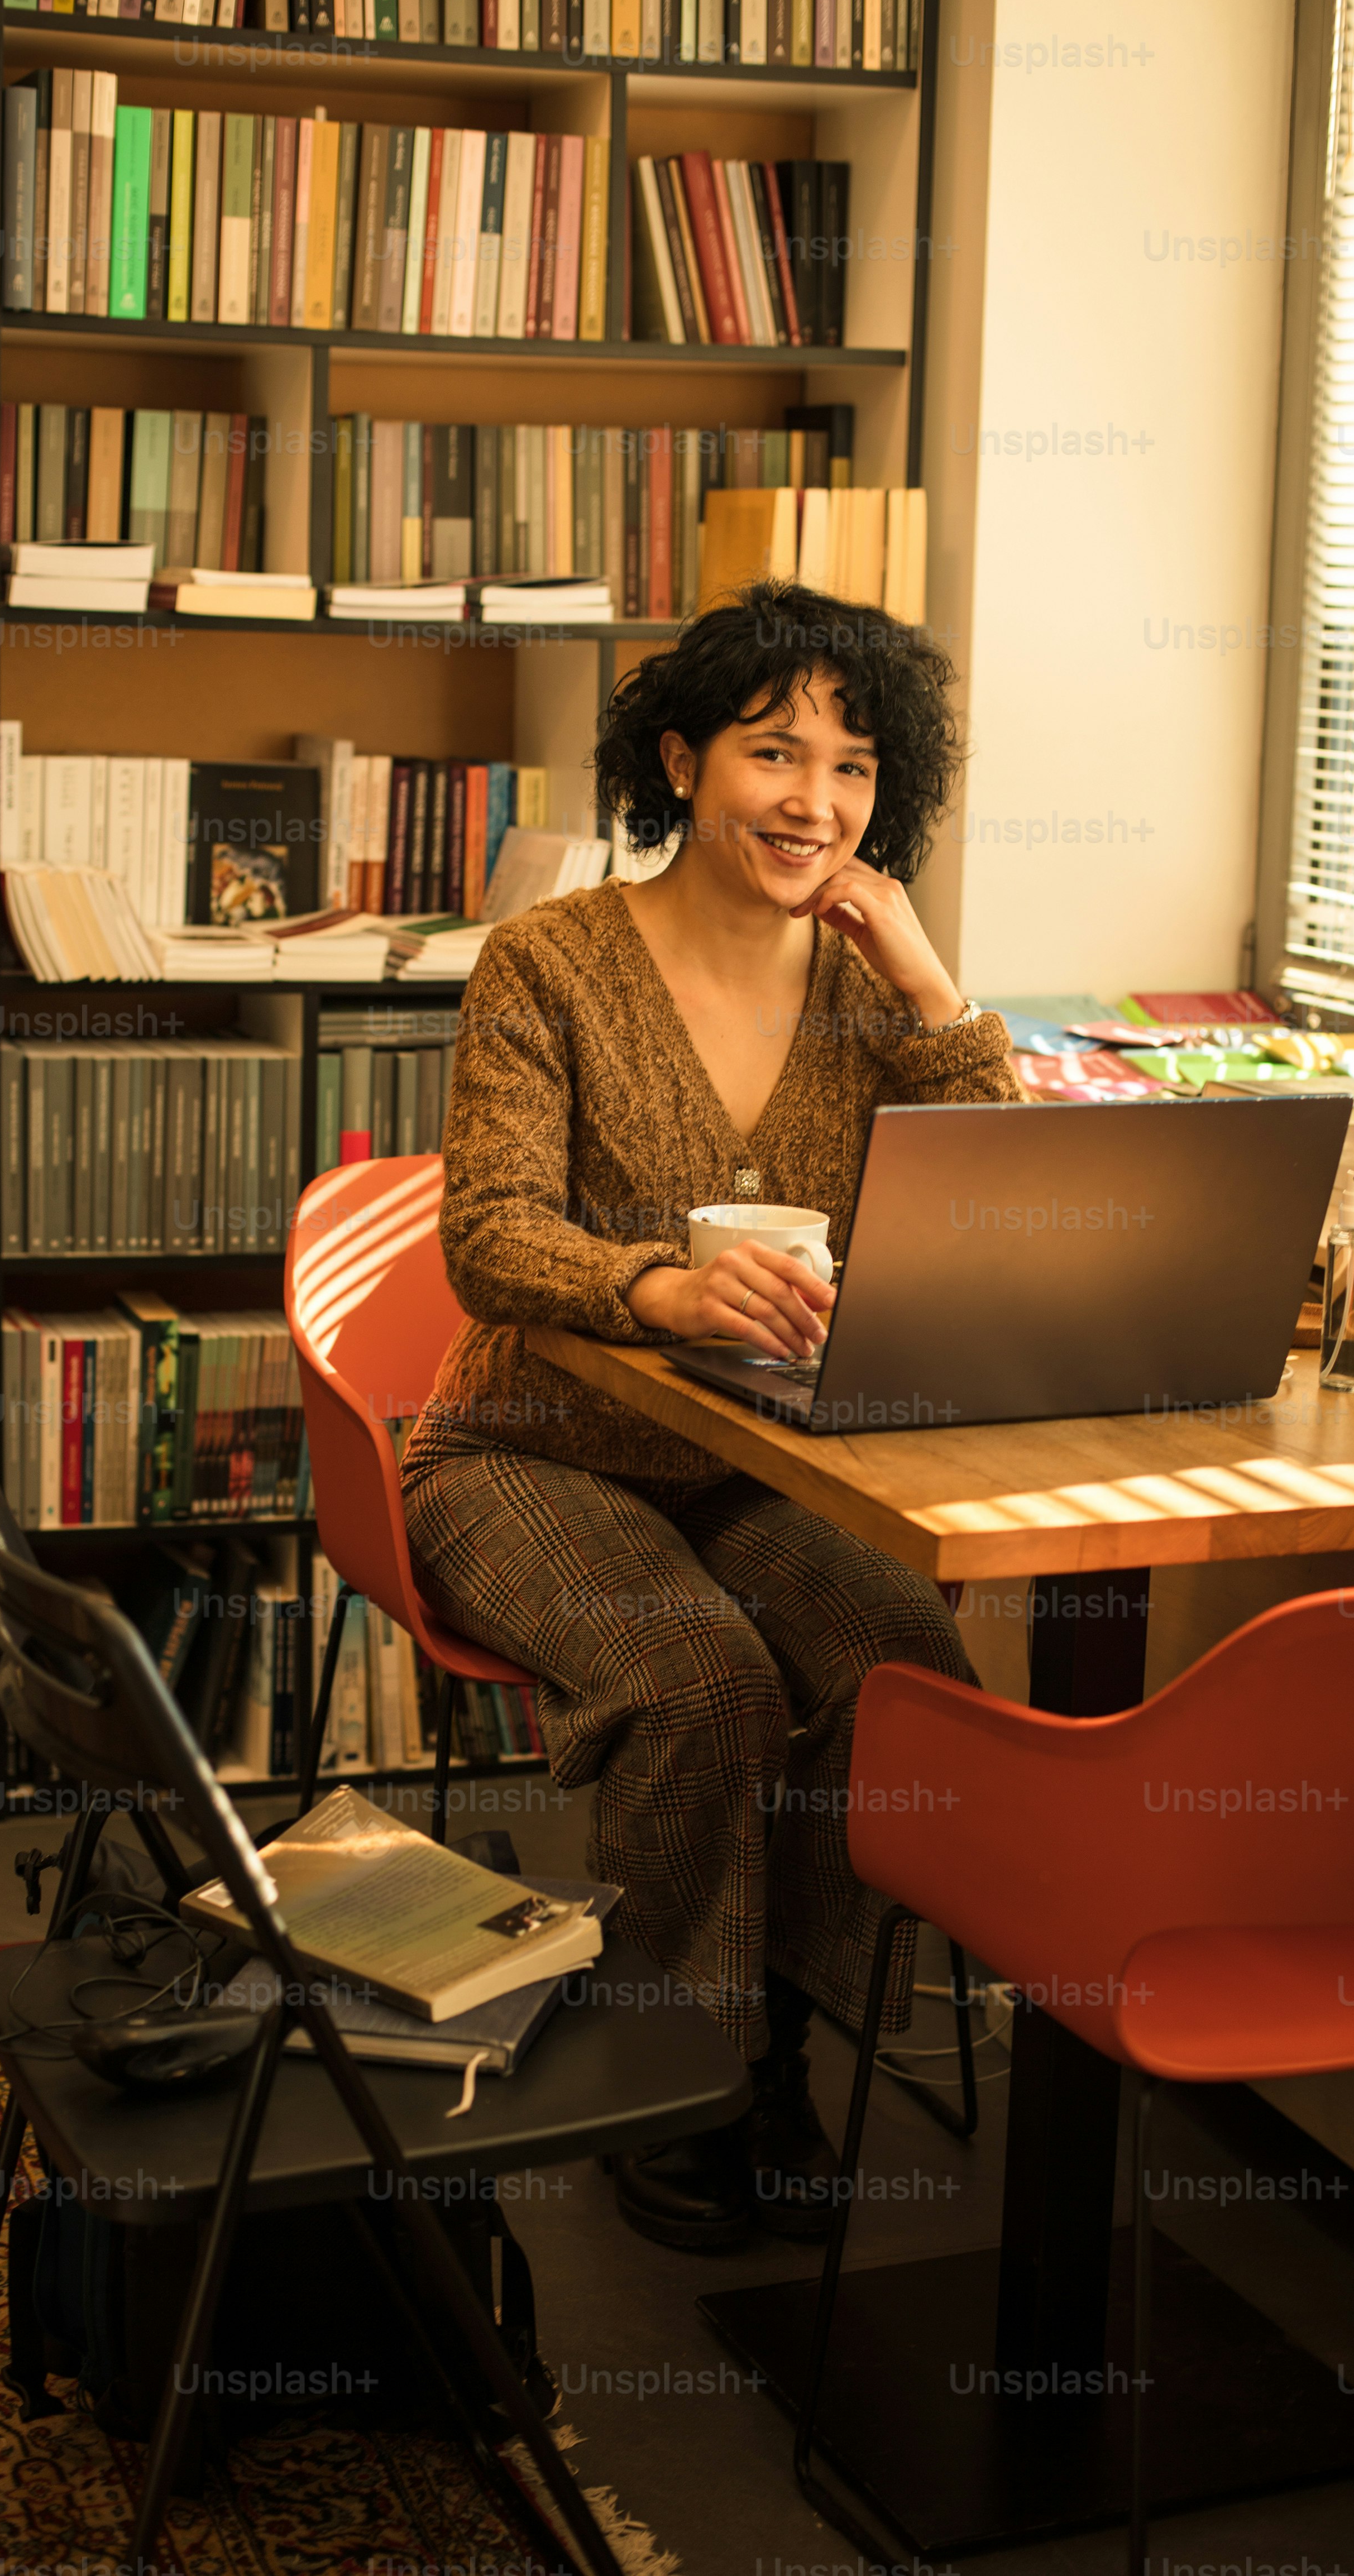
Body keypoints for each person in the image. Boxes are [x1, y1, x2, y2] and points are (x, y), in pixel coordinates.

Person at [399, 582, 1022, 2250]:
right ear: (679, 760)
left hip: (759, 1471)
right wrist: (652, 1287)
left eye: (853, 765)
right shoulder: (550, 961)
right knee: (698, 1678)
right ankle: (664, 2076)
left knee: (897, 1656)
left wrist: (925, 975)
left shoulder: (864, 991)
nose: (813, 800)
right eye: (771, 751)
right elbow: (487, 1232)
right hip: (526, 1453)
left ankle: (777, 2043)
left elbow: (1013, 1195)